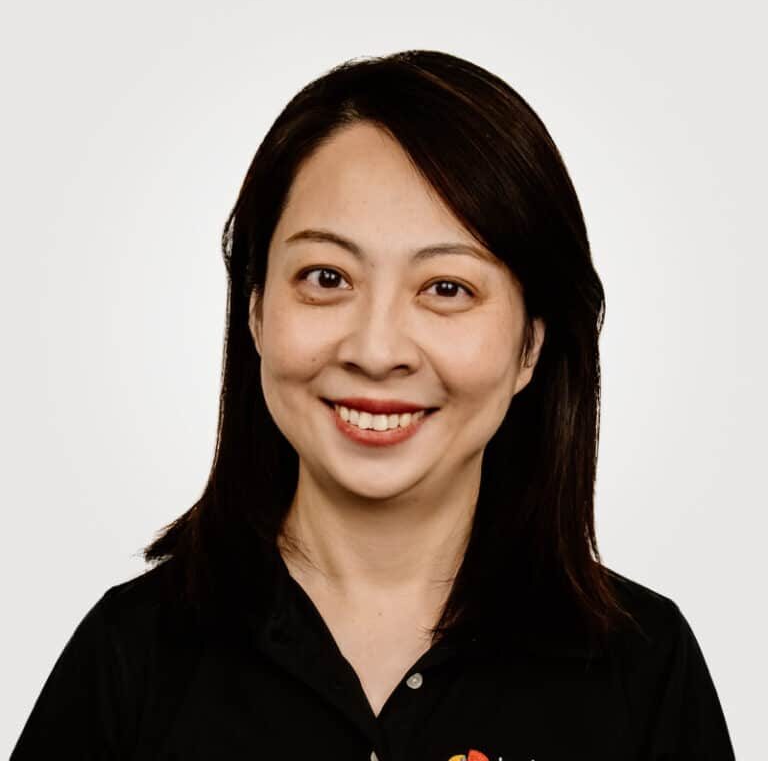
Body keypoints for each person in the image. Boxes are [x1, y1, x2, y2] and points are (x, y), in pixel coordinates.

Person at [11, 49, 735, 760]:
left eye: (447, 288)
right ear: (256, 311)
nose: (377, 348)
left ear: (529, 347)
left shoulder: (643, 670)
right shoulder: (130, 657)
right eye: (326, 276)